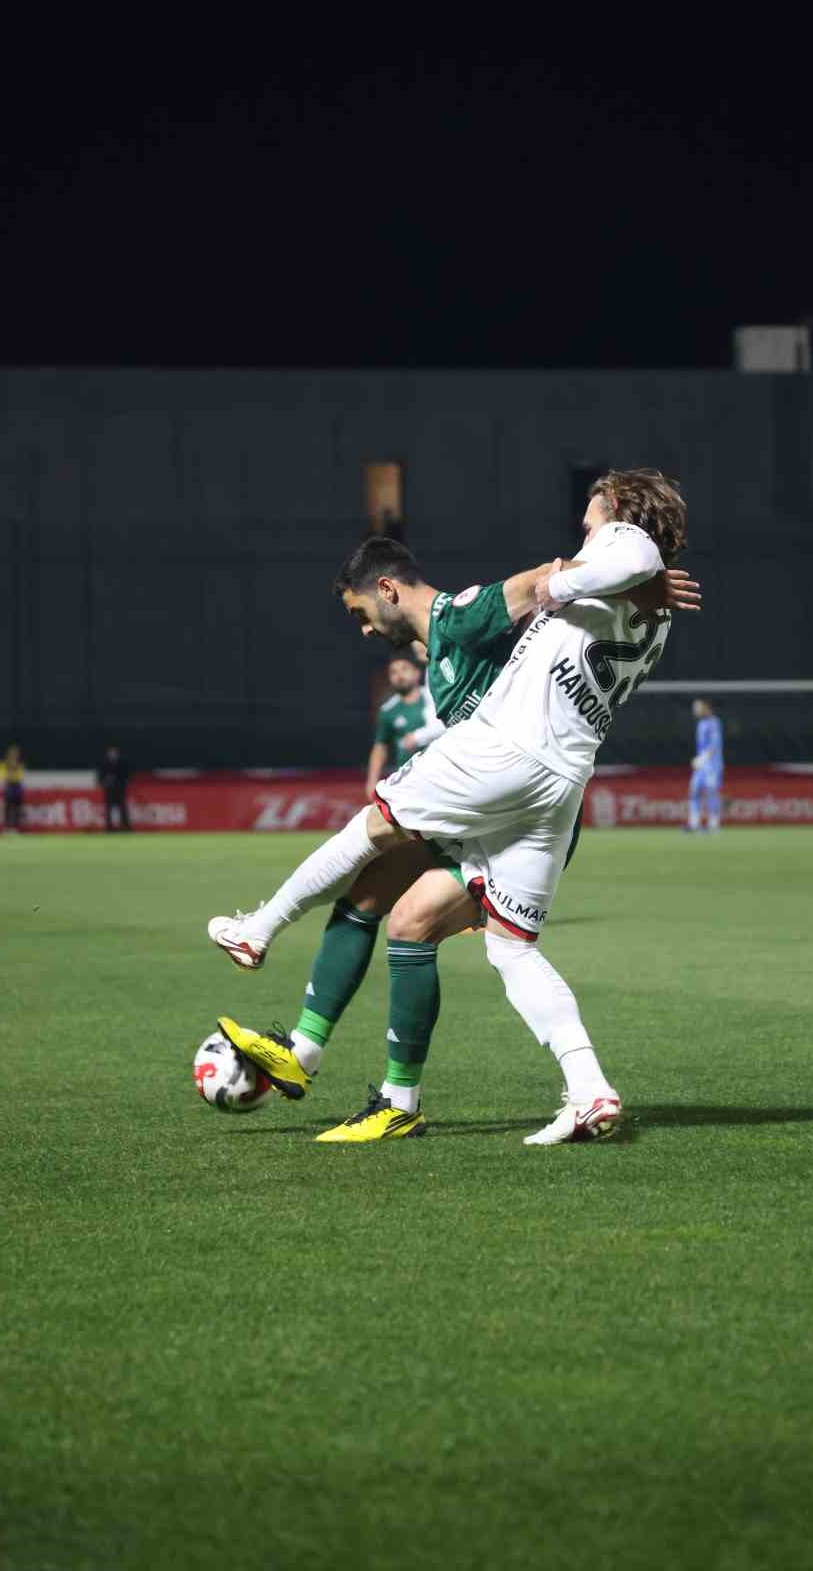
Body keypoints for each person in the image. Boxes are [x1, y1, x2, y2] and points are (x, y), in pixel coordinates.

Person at [209, 470, 693, 1145]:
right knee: (498, 946)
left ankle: (258, 929)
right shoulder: (654, 612)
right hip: (560, 779)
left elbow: (627, 555)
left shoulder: (614, 552)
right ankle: (588, 1091)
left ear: (616, 514)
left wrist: (573, 577)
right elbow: (629, 574)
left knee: (373, 829)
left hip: (505, 754)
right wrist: (627, 581)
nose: (585, 535)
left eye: (591, 524)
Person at [363, 653, 442, 802]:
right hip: (408, 779)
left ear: (417, 673)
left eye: (404, 669)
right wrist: (371, 781)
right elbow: (380, 747)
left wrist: (419, 736)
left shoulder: (434, 699)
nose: (399, 675)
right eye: (393, 672)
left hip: (440, 773)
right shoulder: (388, 710)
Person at [687, 698, 724, 832]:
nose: (695, 711)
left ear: (706, 707)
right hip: (702, 765)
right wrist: (700, 760)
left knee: (711, 792)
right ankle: (694, 824)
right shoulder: (701, 724)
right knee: (694, 790)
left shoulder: (714, 723)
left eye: (698, 708)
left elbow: (714, 744)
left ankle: (713, 825)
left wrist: (702, 758)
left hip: (713, 765)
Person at [97, 746, 133, 832]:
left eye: (114, 752)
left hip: (120, 790)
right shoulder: (104, 764)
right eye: (111, 753)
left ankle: (125, 826)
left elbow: (127, 776)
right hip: (109, 790)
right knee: (108, 809)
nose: (112, 754)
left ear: (117, 753)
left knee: (123, 808)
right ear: (108, 754)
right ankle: (109, 827)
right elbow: (100, 777)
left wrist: (119, 781)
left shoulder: (122, 763)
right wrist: (105, 781)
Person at [0, 744, 25, 833]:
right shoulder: (3, 763)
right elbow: (0, 775)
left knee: (17, 809)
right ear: (8, 754)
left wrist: (11, 775)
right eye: (12, 753)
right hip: (8, 787)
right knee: (7, 809)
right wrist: (10, 775)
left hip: (17, 788)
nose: (14, 755)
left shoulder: (19, 764)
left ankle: (15, 828)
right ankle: (6, 828)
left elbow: (20, 776)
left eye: (16, 753)